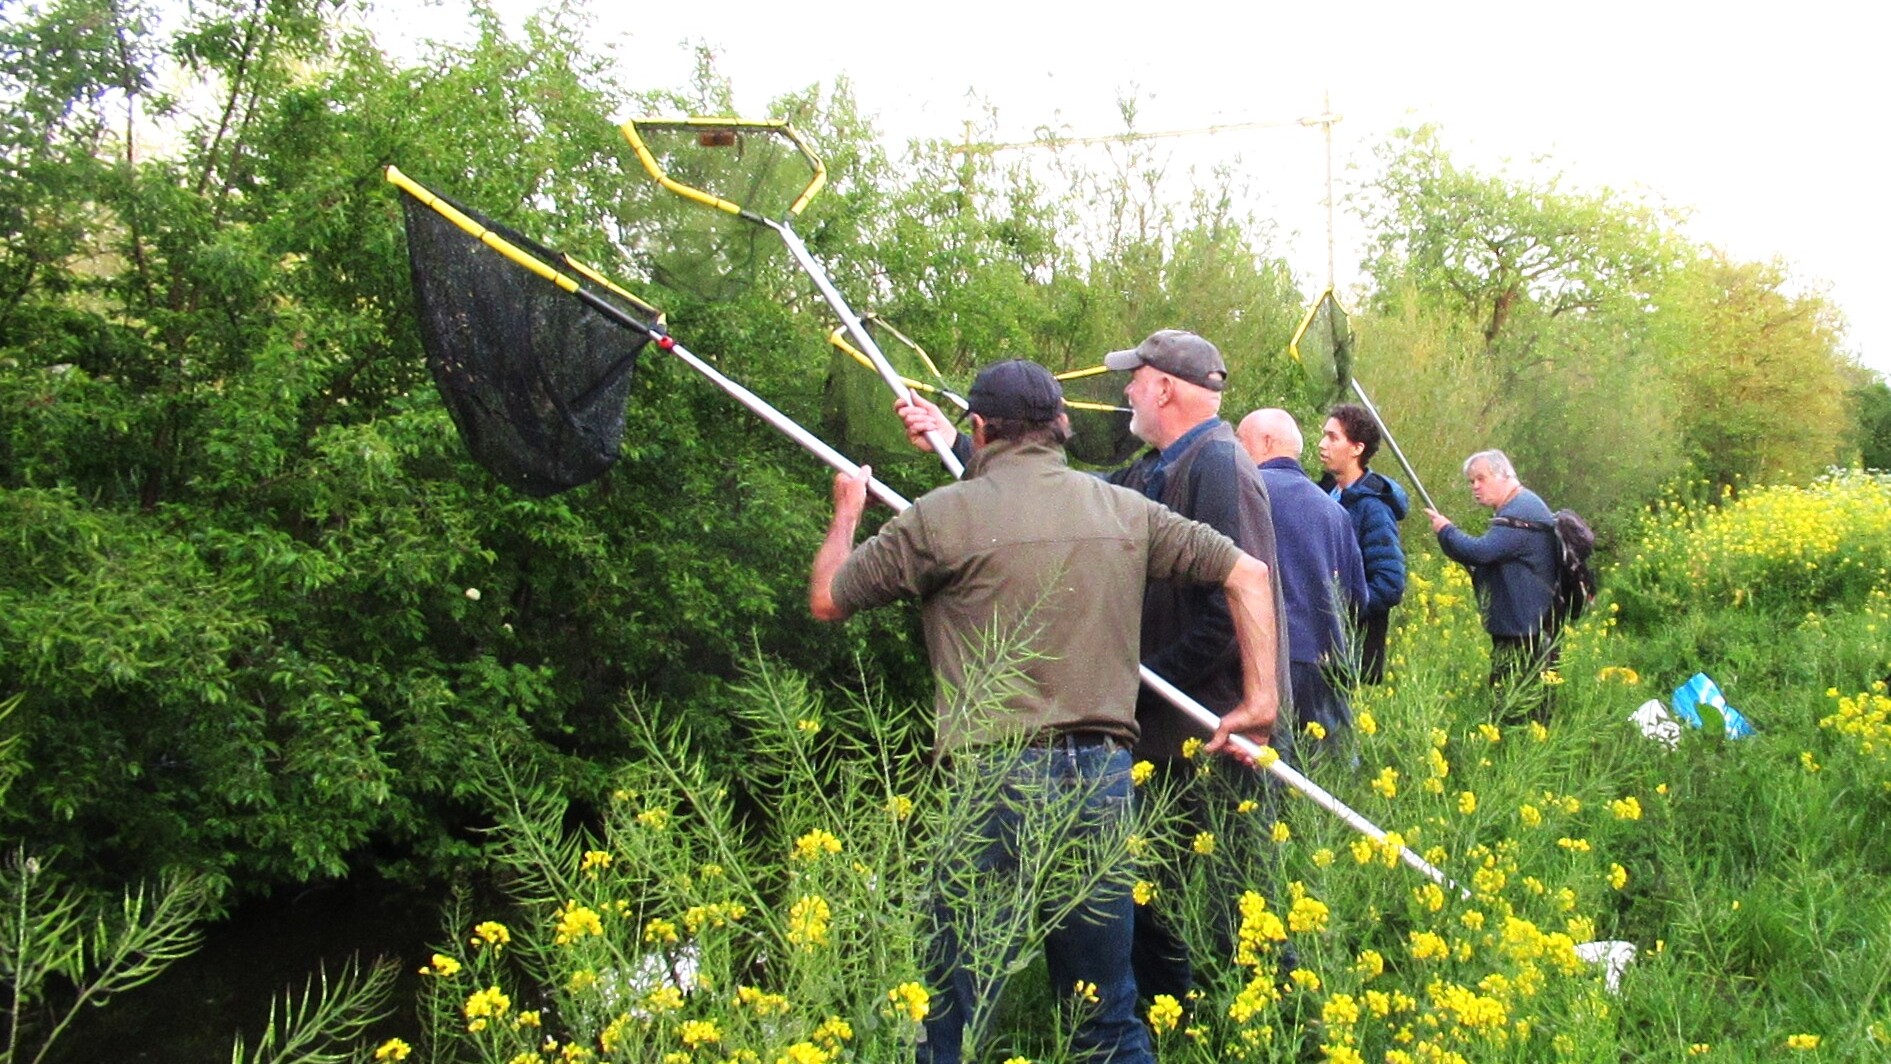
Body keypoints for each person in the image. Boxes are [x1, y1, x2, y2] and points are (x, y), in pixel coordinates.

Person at [813, 359, 1282, 1064]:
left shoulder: (938, 519)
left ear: (979, 427)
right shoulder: (1120, 508)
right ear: (1059, 425)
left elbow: (829, 599)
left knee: (950, 1013)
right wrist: (1261, 701)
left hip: (991, 783)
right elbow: (1247, 574)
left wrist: (848, 509)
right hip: (1101, 781)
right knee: (1103, 1013)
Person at [1237, 408, 1368, 755]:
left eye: (1240, 440)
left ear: (1265, 442)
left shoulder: (1247, 494)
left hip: (1270, 660)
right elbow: (1357, 598)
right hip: (1328, 662)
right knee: (1326, 783)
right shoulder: (1335, 512)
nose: (1236, 450)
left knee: (1265, 777)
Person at [1423, 449, 1563, 722]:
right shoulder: (1519, 508)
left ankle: (1522, 755)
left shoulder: (1521, 511)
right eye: (1471, 481)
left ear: (1504, 476)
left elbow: (1480, 552)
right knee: (1512, 706)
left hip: (1527, 636)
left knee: (1522, 710)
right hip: (1525, 630)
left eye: (1480, 479)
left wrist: (1446, 530)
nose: (1474, 486)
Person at [1316, 403, 1409, 685]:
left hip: (1348, 650)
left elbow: (1390, 583)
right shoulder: (1322, 493)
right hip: (1316, 645)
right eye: (1324, 435)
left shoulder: (1374, 508)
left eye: (1333, 437)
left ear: (1357, 448)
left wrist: (1340, 610)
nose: (1322, 444)